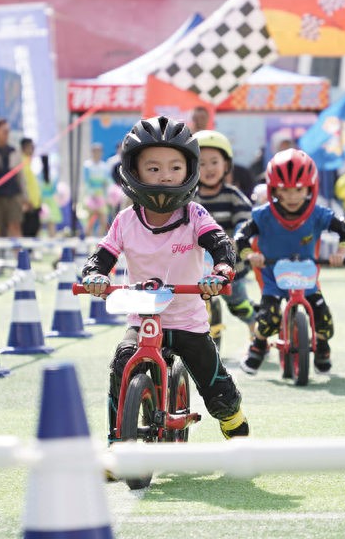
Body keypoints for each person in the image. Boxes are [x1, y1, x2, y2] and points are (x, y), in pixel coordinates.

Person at [80, 115, 249, 441]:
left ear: (189, 170)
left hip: (188, 322)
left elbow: (220, 244)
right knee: (122, 364)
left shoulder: (195, 215)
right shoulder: (125, 220)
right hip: (142, 320)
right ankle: (117, 440)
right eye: (154, 168)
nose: (166, 176)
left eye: (175, 167)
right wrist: (95, 274)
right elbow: (102, 255)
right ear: (134, 170)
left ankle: (233, 419)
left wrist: (221, 271)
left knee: (219, 394)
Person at [234, 149, 345, 374]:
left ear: (310, 188)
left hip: (306, 278)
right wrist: (250, 255)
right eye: (285, 190)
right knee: (268, 319)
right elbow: (241, 236)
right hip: (273, 277)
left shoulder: (318, 214)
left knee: (324, 319)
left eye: (298, 190)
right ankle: (258, 345)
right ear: (274, 190)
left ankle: (322, 347)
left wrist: (340, 252)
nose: (292, 197)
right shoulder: (263, 215)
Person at [192, 129, 257, 335]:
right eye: (201, 164)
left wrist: (237, 237)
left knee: (239, 305)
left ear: (226, 165)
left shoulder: (233, 196)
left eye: (214, 162)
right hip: (197, 267)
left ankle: (255, 330)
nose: (209, 168)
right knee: (190, 307)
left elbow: (244, 222)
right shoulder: (190, 198)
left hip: (231, 265)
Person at [0, 118, 24, 238]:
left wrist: (24, 196)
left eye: (8, 131)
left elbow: (20, 176)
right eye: (4, 131)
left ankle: (18, 249)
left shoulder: (14, 151)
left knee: (15, 225)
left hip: (12, 194)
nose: (6, 134)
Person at [18, 138, 42, 238]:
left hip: (34, 203)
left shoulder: (29, 162)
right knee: (28, 231)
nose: (32, 150)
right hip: (28, 204)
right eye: (31, 147)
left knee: (34, 229)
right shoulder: (22, 163)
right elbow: (22, 183)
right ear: (24, 148)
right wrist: (26, 200)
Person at [39, 154, 62, 237]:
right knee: (52, 224)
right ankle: (52, 242)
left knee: (40, 225)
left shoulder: (39, 175)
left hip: (42, 201)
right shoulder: (53, 176)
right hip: (51, 202)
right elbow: (54, 190)